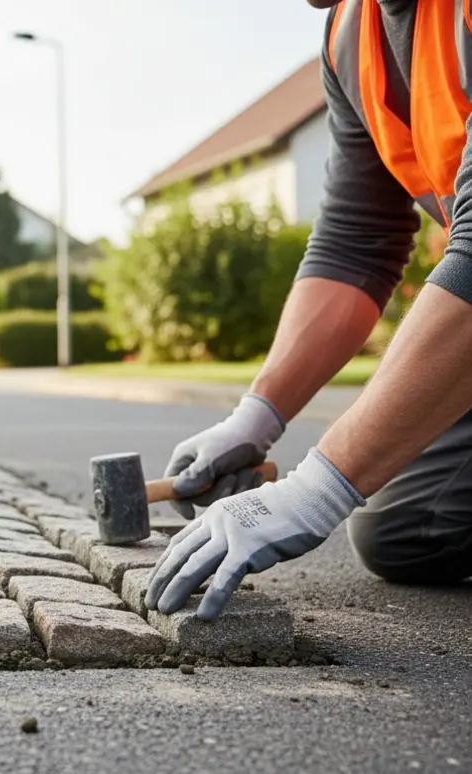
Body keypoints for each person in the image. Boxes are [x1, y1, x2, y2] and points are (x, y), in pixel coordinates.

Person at [147, 0, 472, 620]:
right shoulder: (351, 33)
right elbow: (356, 243)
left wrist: (316, 490)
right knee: (407, 529)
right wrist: (254, 419)